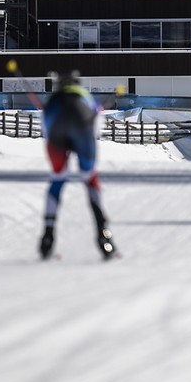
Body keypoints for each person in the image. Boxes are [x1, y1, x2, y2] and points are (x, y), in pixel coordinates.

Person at [40, 71, 117, 260]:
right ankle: (103, 234)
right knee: (89, 178)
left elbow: (46, 129)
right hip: (83, 126)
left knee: (58, 177)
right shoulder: (85, 96)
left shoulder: (53, 98)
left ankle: (47, 236)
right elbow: (97, 127)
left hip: (56, 129)